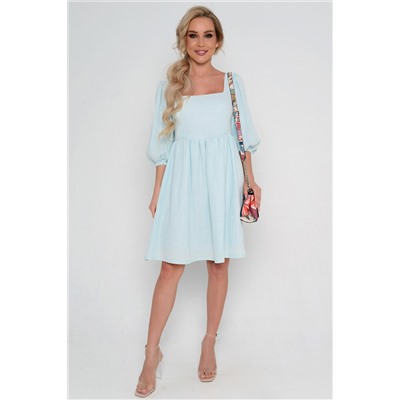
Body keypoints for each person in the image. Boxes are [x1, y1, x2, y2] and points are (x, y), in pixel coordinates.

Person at [135, 5, 262, 397]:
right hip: (182, 181)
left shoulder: (232, 83)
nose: (201, 43)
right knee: (170, 266)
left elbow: (242, 138)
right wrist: (158, 191)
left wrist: (251, 182)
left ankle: (209, 342)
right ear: (184, 40)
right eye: (193, 35)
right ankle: (151, 353)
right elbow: (162, 144)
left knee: (218, 264)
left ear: (218, 41)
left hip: (222, 180)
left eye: (208, 35)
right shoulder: (169, 86)